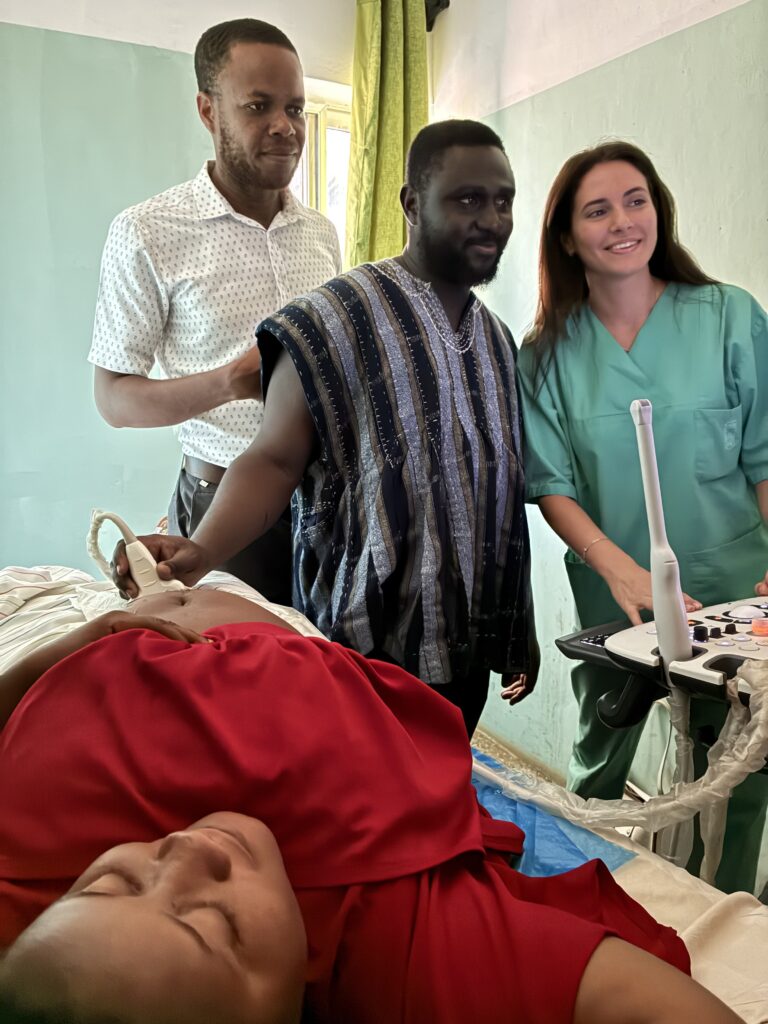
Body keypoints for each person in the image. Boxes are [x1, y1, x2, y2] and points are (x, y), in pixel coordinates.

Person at [0, 589, 741, 1024]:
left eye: (113, 881)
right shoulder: (387, 940)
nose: (185, 852)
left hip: (106, 629)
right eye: (215, 923)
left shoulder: (51, 965)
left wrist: (64, 650)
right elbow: (659, 1007)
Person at [112, 119, 539, 738]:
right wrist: (201, 550)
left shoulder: (496, 340)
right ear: (411, 204)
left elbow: (498, 493)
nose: (491, 219)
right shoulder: (331, 320)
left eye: (503, 201)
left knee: (444, 783)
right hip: (362, 654)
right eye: (468, 199)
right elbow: (274, 459)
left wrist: (515, 627)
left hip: (466, 650)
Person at [516, 140, 768, 894]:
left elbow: (764, 457)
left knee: (736, 764)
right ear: (567, 237)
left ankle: (719, 910)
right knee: (600, 755)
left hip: (735, 584)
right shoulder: (546, 356)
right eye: (597, 210)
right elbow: (551, 483)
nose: (623, 222)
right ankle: (574, 898)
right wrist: (617, 567)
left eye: (637, 201)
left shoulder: (729, 318)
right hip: (613, 592)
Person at [88, 19, 342, 603]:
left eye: (295, 109)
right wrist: (228, 383)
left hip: (329, 505)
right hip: (221, 511)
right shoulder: (148, 231)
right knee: (237, 660)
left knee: (326, 658)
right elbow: (113, 399)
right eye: (258, 106)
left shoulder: (320, 234)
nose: (284, 126)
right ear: (208, 111)